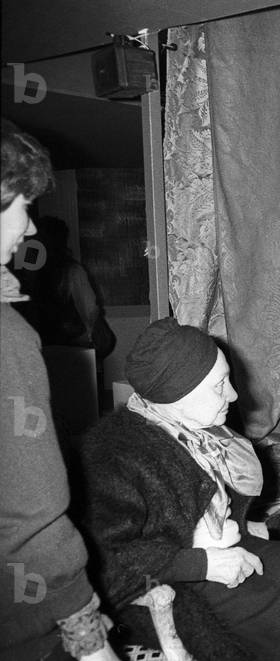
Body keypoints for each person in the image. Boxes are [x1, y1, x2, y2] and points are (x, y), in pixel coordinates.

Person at [75, 317, 280, 660]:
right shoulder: (114, 455)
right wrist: (201, 563)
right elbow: (104, 564)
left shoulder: (197, 432)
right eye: (220, 384)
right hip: (173, 588)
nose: (234, 394)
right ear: (179, 390)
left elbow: (203, 506)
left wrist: (239, 524)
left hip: (223, 561)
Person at [0, 119, 119, 660]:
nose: (29, 229)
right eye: (23, 207)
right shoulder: (7, 335)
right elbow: (35, 509)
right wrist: (88, 637)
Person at [13, 215, 115, 361]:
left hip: (41, 346)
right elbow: (90, 309)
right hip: (74, 348)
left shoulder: (27, 272)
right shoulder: (71, 271)